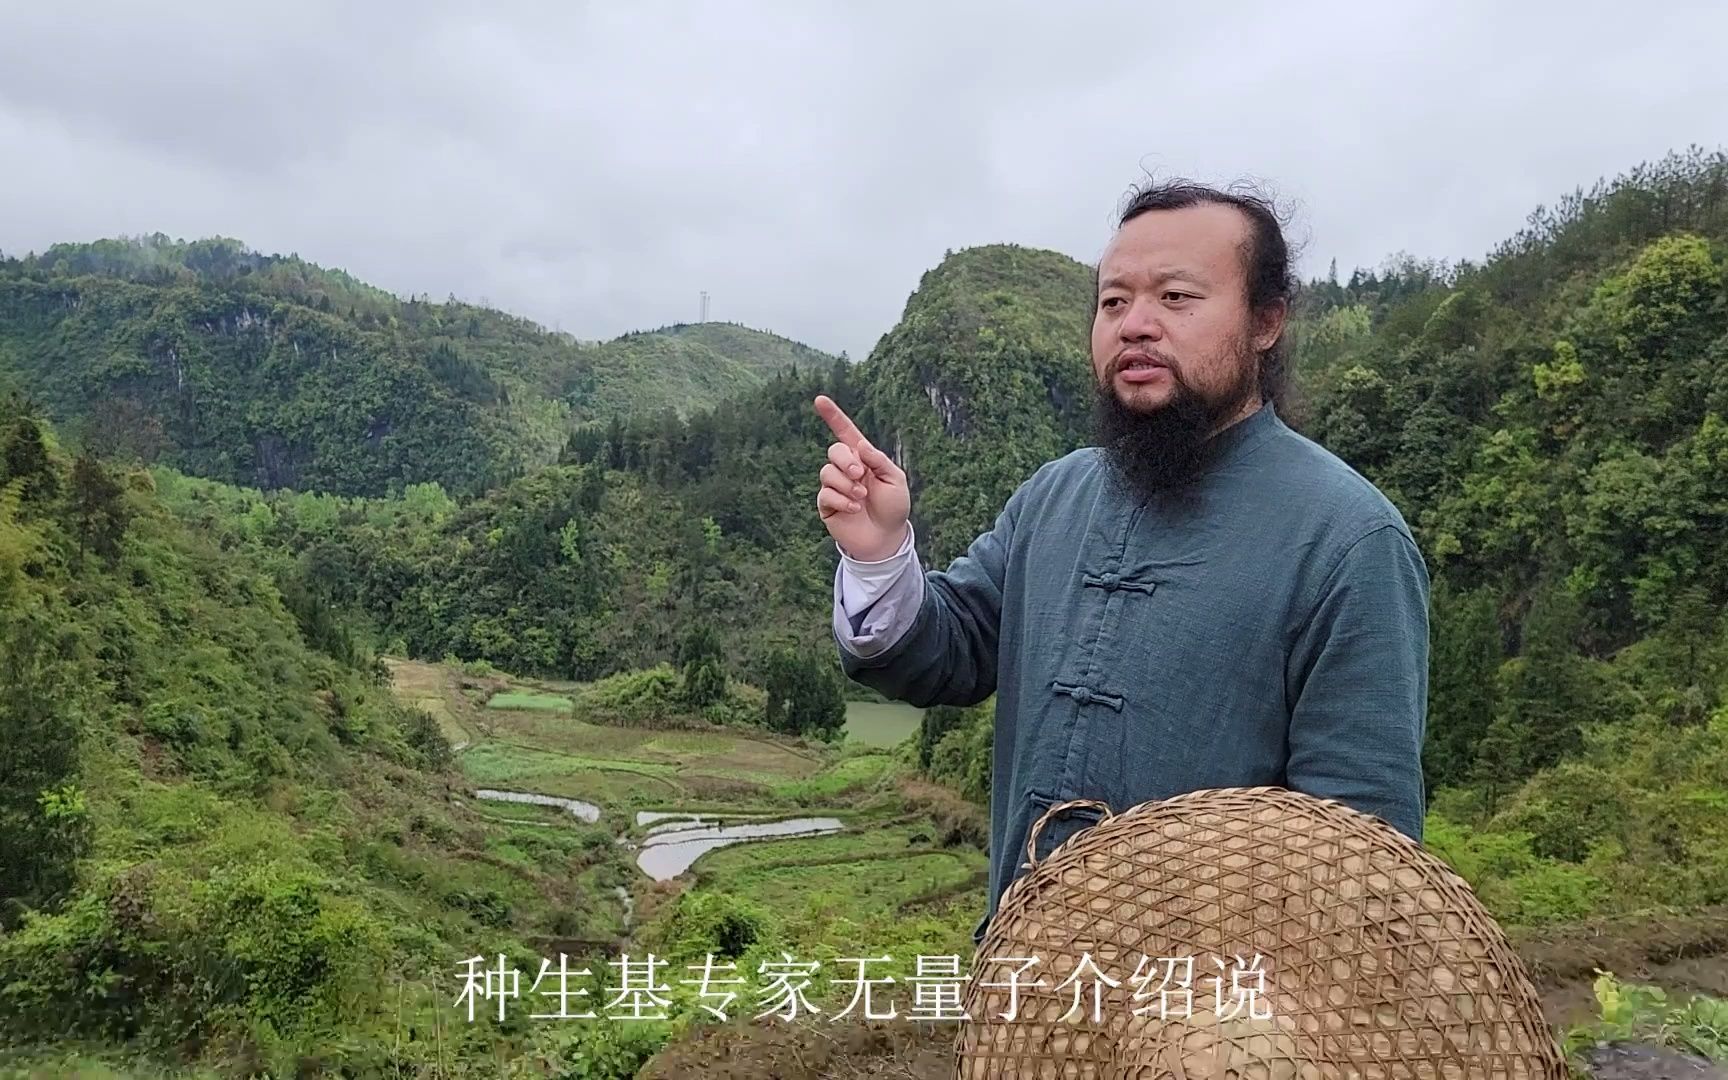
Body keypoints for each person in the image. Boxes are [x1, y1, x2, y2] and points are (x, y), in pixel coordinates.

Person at [813, 180, 1430, 946]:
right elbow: (946, 652)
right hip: (1021, 1007)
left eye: (1176, 297)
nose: (1136, 325)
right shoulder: (1056, 495)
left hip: (1215, 1035)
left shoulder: (1347, 539)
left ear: (1265, 321)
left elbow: (1362, 858)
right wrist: (878, 557)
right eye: (1113, 303)